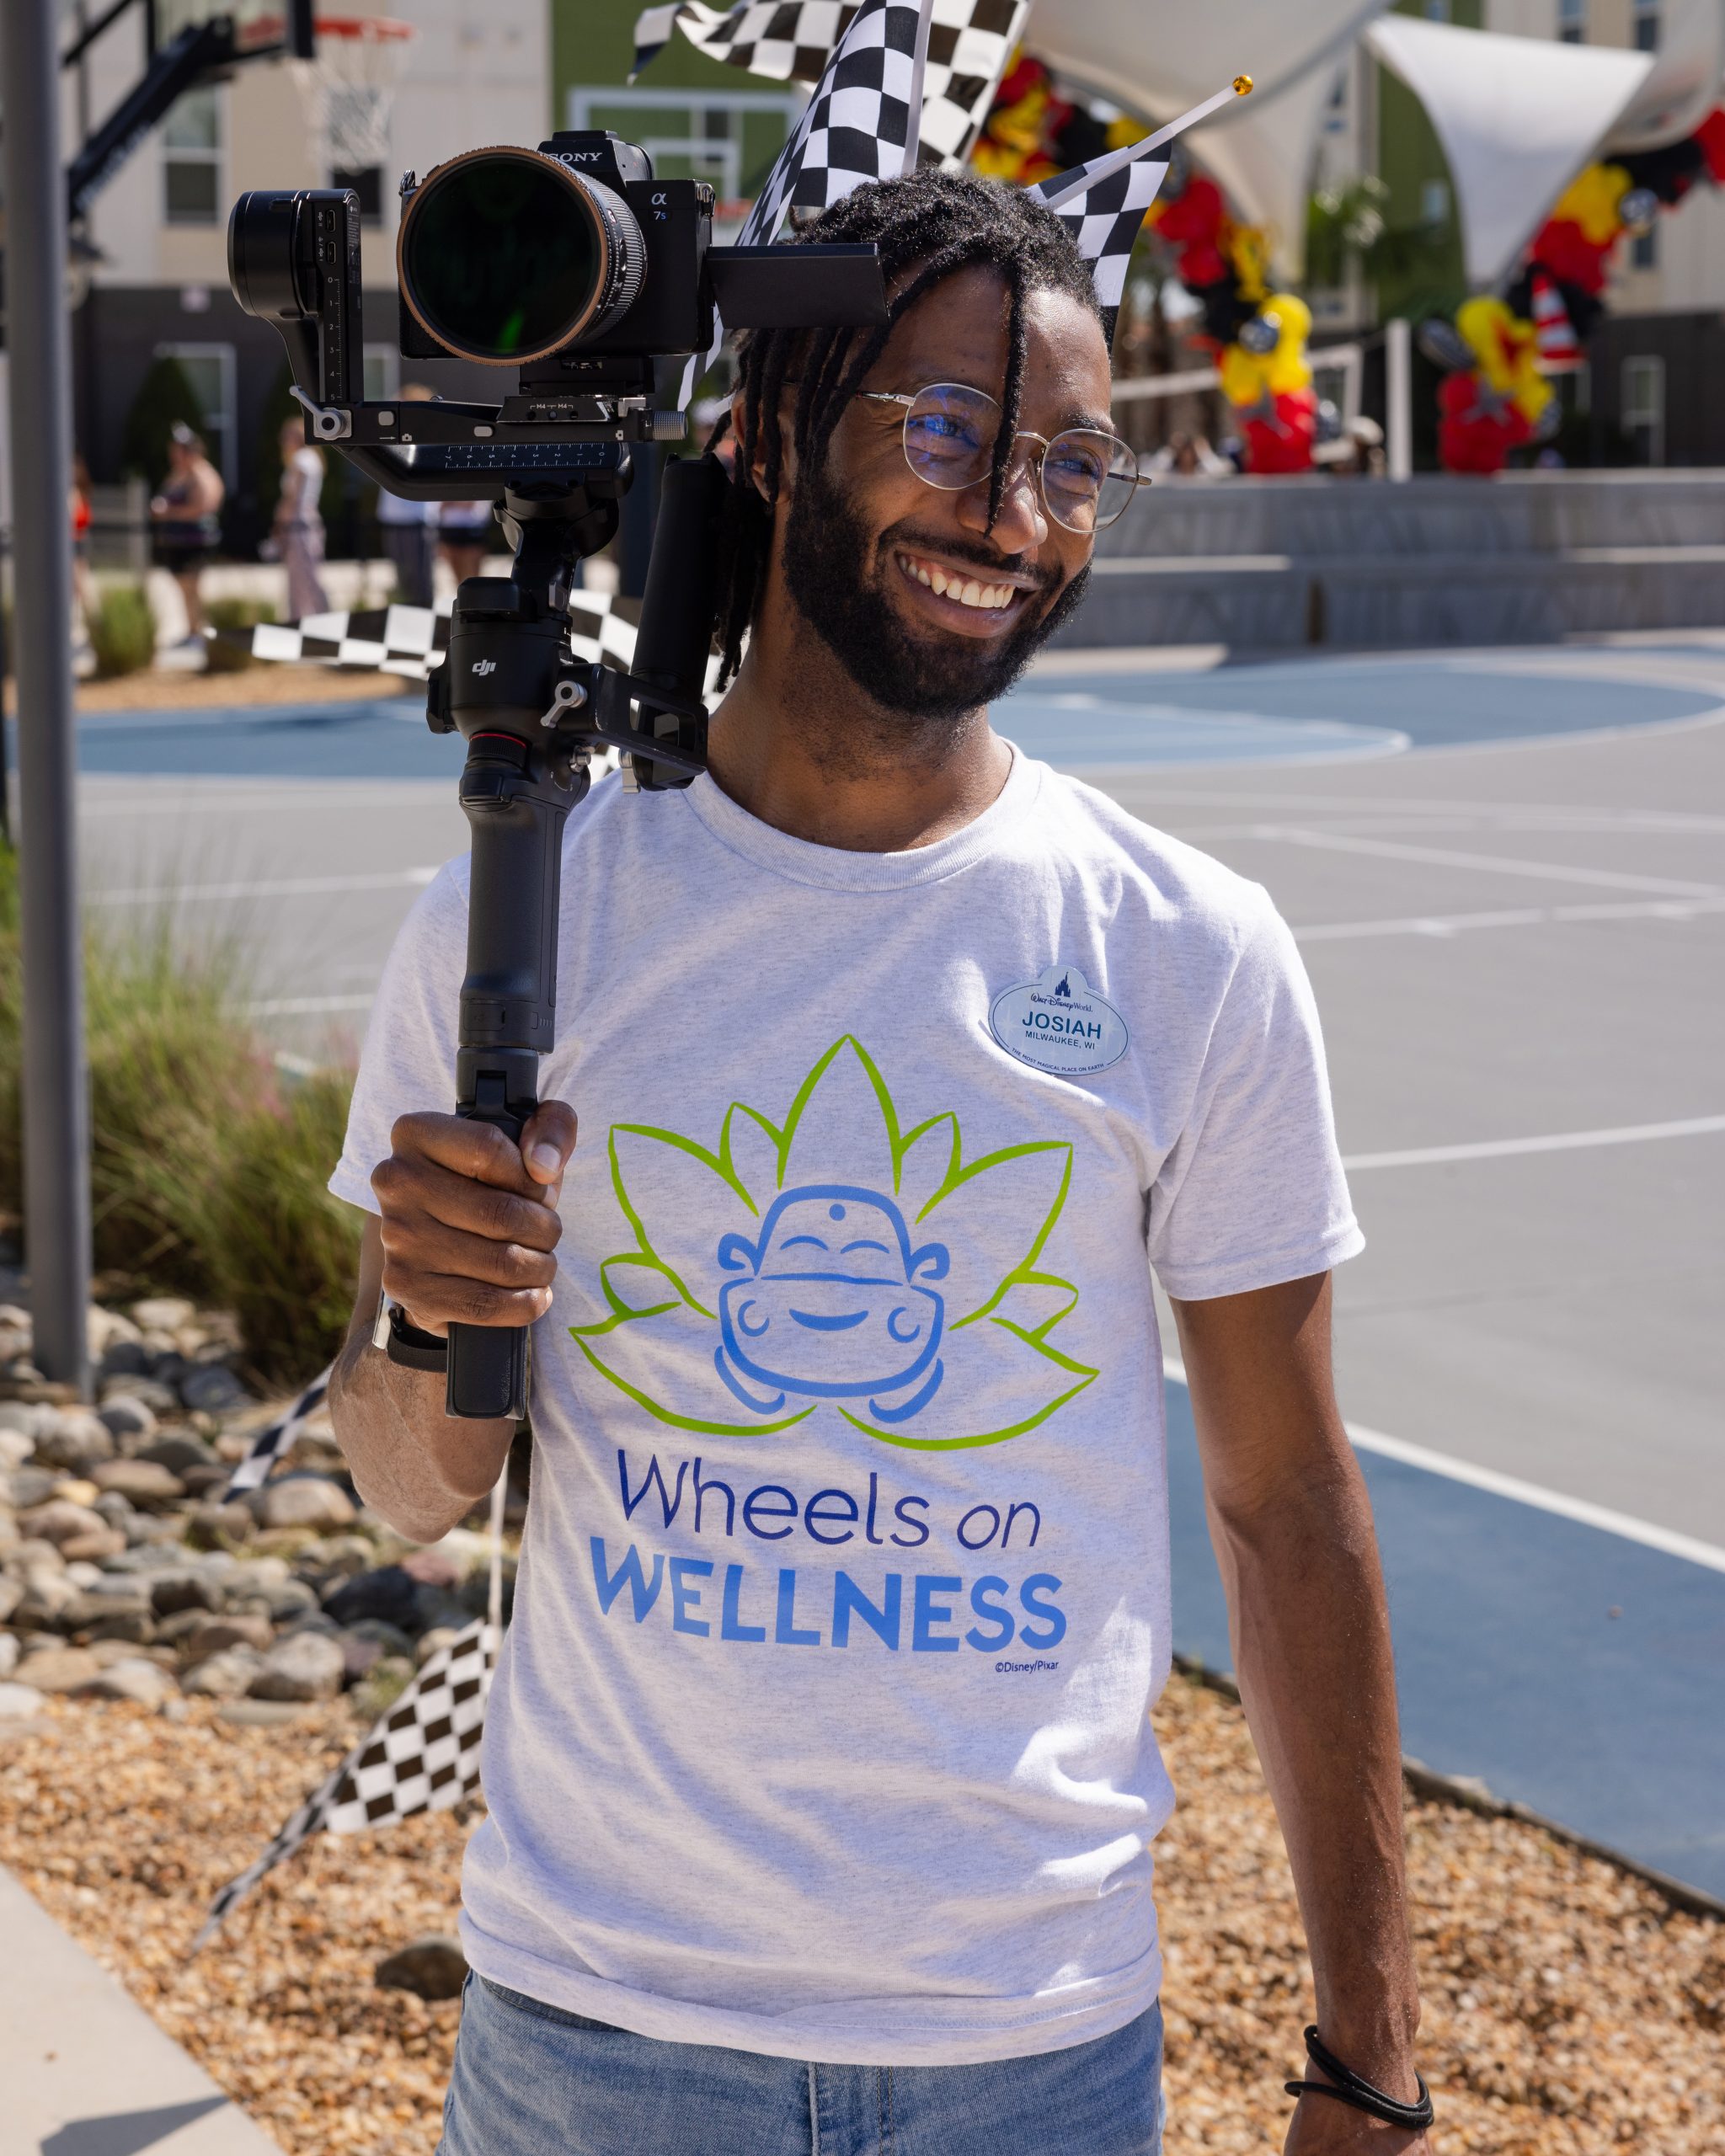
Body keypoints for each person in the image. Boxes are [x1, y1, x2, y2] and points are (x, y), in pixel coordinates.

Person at [328, 169, 1432, 2156]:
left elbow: (1285, 1509)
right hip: (598, 2033)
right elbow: (412, 1490)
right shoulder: (513, 915)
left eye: (1069, 461)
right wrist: (438, 1304)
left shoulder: (1181, 950)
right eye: (944, 430)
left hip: (1029, 2046)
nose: (1009, 517)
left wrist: (1370, 2046)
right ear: (763, 432)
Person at [148, 420, 223, 646]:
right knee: (183, 588)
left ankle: (199, 631)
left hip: (195, 540)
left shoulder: (202, 474)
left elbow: (203, 507)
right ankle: (191, 629)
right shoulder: (179, 474)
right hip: (177, 541)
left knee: (192, 587)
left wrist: (169, 512)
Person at [376, 382, 441, 607]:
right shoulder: (394, 438)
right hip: (395, 519)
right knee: (403, 579)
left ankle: (426, 624)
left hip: (416, 520)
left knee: (420, 581)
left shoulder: (425, 439)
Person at [273, 416, 330, 619]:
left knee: (305, 579)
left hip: (299, 525)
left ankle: (321, 621)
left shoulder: (301, 459)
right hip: (304, 524)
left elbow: (293, 497)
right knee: (302, 578)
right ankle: (305, 621)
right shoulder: (308, 458)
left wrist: (278, 524)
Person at [437, 495, 494, 593]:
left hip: (472, 526)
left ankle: (475, 597)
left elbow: (469, 503)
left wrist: (454, 502)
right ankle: (463, 597)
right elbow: (442, 505)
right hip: (450, 527)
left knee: (473, 572)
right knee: (456, 571)